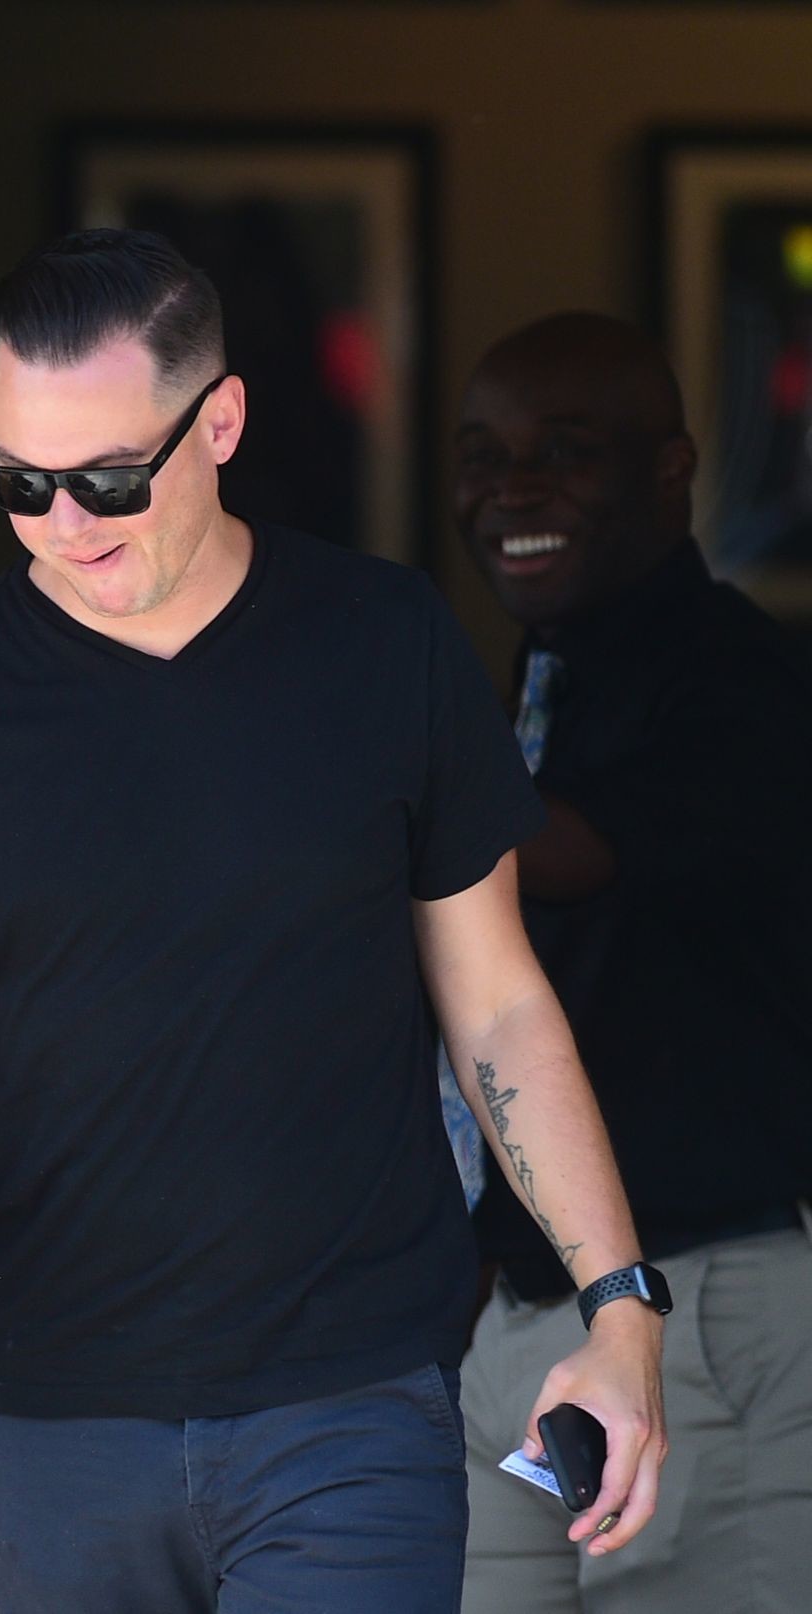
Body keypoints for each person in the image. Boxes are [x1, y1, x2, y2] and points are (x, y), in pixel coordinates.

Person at [0, 230, 669, 1613]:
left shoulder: (384, 641)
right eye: (19, 484)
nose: (66, 523)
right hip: (51, 1421)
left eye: (108, 479)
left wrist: (619, 1303)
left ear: (223, 422)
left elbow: (497, 1002)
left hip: (352, 1401)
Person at [453, 311, 812, 1614]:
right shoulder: (541, 674)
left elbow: (575, 853)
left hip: (703, 1302)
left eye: (565, 451)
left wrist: (374, 755)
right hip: (525, 1317)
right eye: (483, 456)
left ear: (671, 470)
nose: (513, 488)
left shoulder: (743, 673)